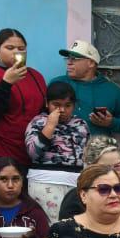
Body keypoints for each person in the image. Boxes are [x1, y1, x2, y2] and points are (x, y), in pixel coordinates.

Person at [0, 28, 47, 172]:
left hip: (32, 152)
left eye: (21, 49)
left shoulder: (35, 76)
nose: (16, 52)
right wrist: (6, 83)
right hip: (0, 151)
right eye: (10, 48)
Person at [58, 138, 120, 228]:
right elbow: (65, 232)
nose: (113, 172)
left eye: (118, 166)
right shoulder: (76, 197)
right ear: (91, 167)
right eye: (105, 168)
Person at [26, 81, 89, 222]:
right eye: (56, 105)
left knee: (74, 225)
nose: (62, 110)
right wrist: (50, 126)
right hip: (45, 182)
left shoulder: (81, 125)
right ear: (47, 103)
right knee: (51, 226)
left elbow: (86, 156)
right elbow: (32, 153)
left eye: (68, 105)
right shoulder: (38, 122)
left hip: (75, 184)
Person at [48, 40, 120, 136]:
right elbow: (42, 114)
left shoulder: (111, 90)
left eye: (74, 58)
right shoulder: (57, 83)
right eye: (68, 58)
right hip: (62, 144)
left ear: (91, 63)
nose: (69, 62)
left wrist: (111, 122)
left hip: (96, 144)